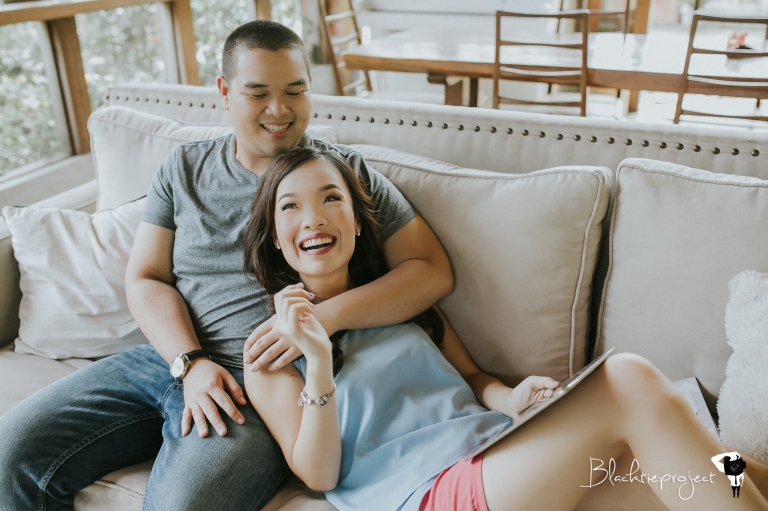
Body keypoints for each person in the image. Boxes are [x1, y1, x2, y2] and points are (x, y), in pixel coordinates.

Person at [0, 21, 452, 510]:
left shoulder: (341, 173)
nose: (279, 110)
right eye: (258, 93)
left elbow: (429, 270)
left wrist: (324, 317)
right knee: (11, 454)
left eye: (294, 91)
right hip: (167, 359)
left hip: (261, 383)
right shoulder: (183, 168)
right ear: (224, 92)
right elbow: (146, 277)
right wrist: (190, 363)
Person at [243, 145, 768, 511]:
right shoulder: (268, 355)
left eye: (331, 198)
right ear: (275, 236)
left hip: (499, 453)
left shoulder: (396, 300)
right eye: (291, 207)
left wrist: (511, 399)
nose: (313, 218)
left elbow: (472, 379)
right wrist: (318, 362)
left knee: (704, 470)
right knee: (626, 378)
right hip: (427, 494)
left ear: (358, 221)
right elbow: (319, 475)